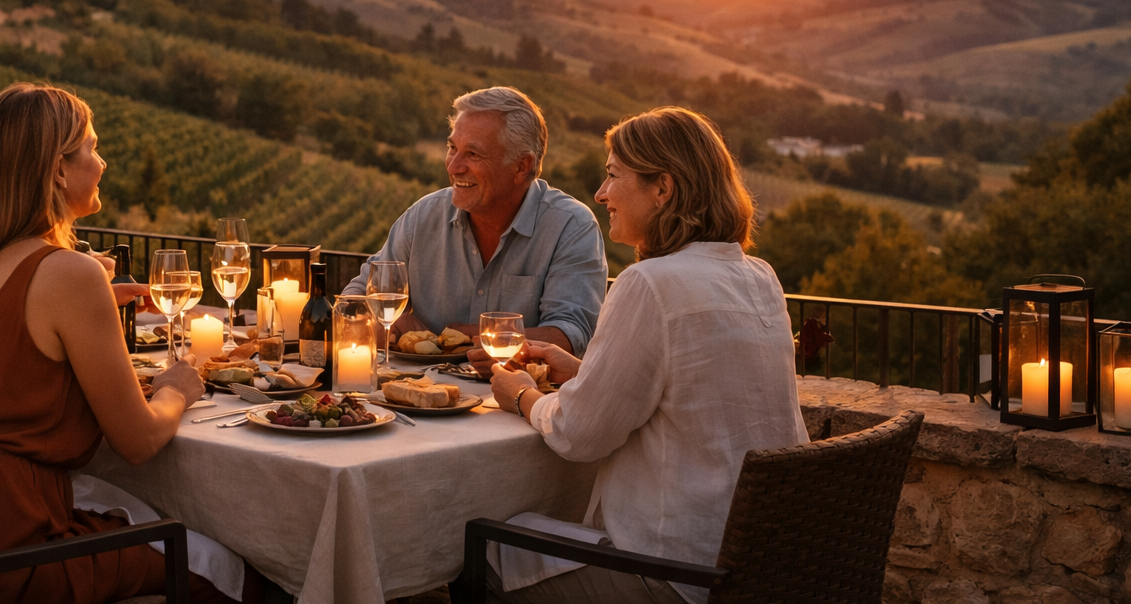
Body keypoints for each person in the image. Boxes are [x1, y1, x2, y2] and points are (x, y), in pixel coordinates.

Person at [0, 83, 241, 603]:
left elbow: (6, 371)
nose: (103, 162)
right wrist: (178, 388)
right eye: (92, 147)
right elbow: (136, 441)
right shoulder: (68, 275)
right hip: (1, 547)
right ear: (57, 169)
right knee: (226, 568)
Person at [488, 106, 808, 604]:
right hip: (753, 566)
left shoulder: (651, 283)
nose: (600, 194)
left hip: (671, 572)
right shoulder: (760, 277)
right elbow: (692, 388)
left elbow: (579, 434)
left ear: (663, 188)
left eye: (613, 175)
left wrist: (524, 395)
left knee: (483, 546)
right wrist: (582, 371)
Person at [342, 86, 606, 365]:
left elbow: (571, 335)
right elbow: (355, 299)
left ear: (521, 166)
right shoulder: (423, 217)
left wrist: (472, 337)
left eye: (473, 154)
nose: (453, 166)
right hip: (419, 396)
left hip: (519, 400)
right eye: (452, 148)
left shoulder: (571, 226)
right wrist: (385, 324)